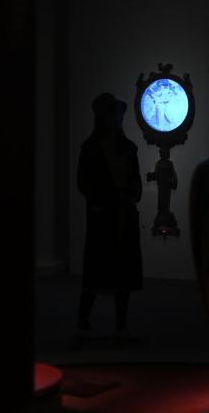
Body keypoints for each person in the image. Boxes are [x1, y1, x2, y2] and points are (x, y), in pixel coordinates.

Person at [76, 92, 143, 337]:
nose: (118, 119)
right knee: (97, 267)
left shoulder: (127, 148)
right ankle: (84, 320)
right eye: (114, 114)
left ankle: (120, 324)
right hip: (104, 215)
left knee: (121, 269)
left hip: (122, 213)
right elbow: (83, 182)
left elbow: (135, 180)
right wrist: (100, 201)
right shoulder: (91, 148)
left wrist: (131, 196)